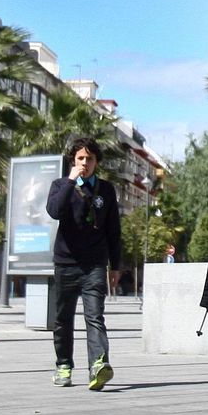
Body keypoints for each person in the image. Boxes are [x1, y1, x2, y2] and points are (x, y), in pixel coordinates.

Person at [46, 136, 122, 391]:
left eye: (90, 159)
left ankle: (99, 365)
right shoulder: (60, 185)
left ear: (97, 162)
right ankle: (63, 366)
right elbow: (54, 211)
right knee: (63, 319)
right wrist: (70, 180)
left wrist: (116, 265)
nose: (85, 163)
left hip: (95, 265)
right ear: (73, 161)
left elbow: (114, 231)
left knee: (95, 317)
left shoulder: (107, 190)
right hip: (66, 262)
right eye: (80, 158)